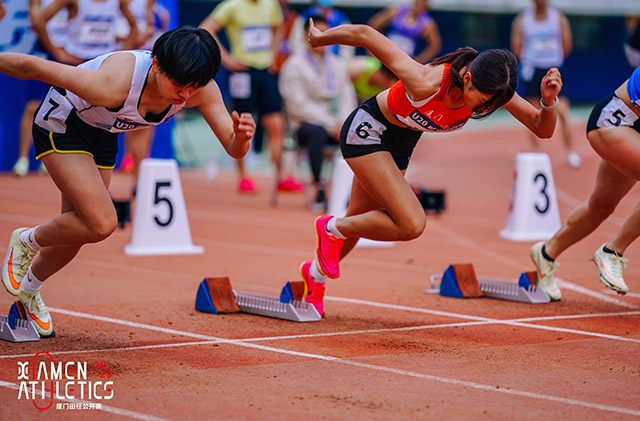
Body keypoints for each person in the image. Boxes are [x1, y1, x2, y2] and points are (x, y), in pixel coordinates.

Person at [0, 27, 256, 336]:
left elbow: (232, 147)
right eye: (179, 84)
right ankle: (25, 240)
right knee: (101, 222)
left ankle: (29, 291)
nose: (185, 94)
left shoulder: (200, 88)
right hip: (62, 123)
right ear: (158, 64)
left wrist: (242, 138)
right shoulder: (113, 82)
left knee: (79, 229)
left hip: (104, 133)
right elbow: (34, 67)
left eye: (194, 86)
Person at [297, 21, 562, 316]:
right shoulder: (425, 81)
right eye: (485, 102)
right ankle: (330, 227)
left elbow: (542, 129)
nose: (486, 109)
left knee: (357, 224)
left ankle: (315, 276)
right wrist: (320, 38)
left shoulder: (494, 89)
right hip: (368, 130)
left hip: (401, 142)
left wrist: (549, 104)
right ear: (469, 78)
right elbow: (364, 35)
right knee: (411, 223)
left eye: (492, 105)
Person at [530, 66, 640, 301]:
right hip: (613, 125)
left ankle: (546, 254)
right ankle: (613, 251)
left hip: (633, 131)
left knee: (600, 207)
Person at [199, 0, 302, 197]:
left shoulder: (270, 5)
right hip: (242, 72)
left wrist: (273, 55)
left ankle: (281, 176)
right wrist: (226, 59)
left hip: (265, 72)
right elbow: (206, 28)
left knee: (276, 125)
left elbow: (278, 28)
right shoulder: (231, 6)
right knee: (242, 126)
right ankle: (243, 177)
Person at [279, 16, 357, 211]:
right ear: (308, 36)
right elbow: (297, 106)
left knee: (361, 133)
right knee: (317, 133)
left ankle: (351, 192)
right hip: (305, 125)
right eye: (319, 33)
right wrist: (331, 125)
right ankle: (318, 187)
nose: (324, 38)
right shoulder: (293, 65)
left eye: (327, 33)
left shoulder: (337, 64)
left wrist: (343, 124)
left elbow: (347, 97)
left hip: (338, 125)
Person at [511, 0, 580, 169]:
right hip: (532, 69)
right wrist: (531, 58)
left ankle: (570, 151)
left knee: (562, 110)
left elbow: (566, 44)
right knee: (532, 110)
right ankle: (536, 151)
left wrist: (552, 58)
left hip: (552, 67)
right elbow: (516, 46)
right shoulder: (522, 19)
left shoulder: (558, 18)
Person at [12, 0, 69, 177]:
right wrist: (54, 50)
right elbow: (37, 22)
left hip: (68, 54)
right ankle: (22, 159)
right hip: (44, 52)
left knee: (65, 108)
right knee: (33, 107)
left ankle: (54, 158)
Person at [368, 0, 441, 64]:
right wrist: (372, 50)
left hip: (404, 59)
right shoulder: (397, 11)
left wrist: (420, 60)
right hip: (385, 52)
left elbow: (435, 46)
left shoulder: (427, 23)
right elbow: (374, 24)